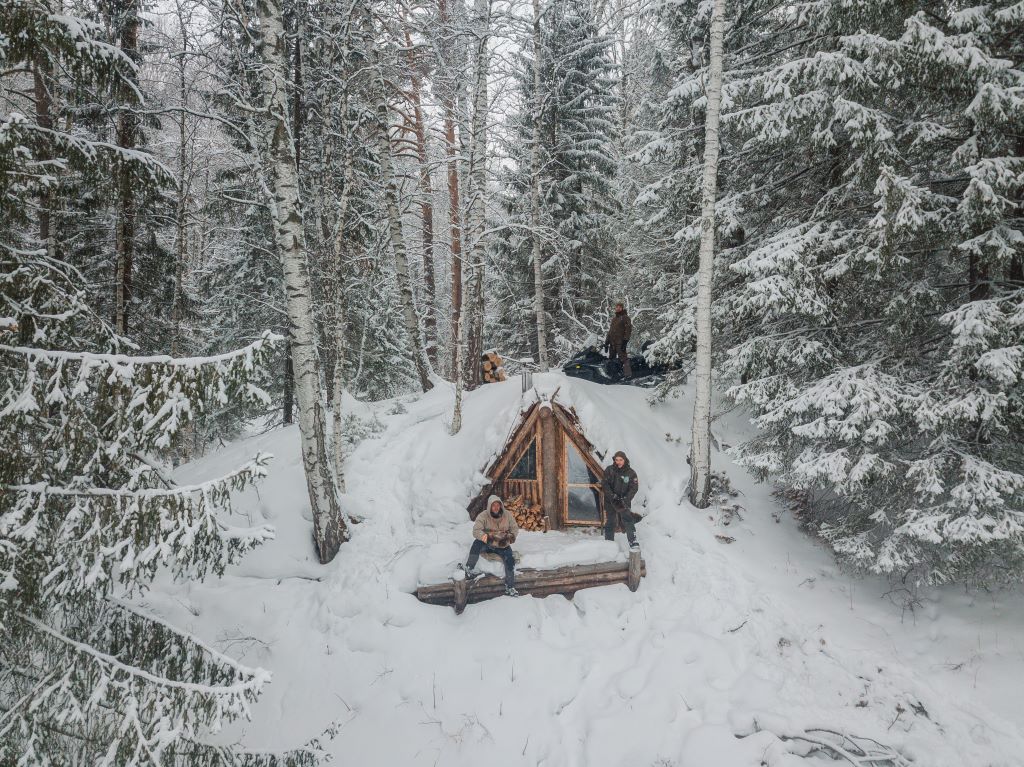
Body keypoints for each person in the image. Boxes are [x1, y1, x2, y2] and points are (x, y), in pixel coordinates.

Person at [464, 495, 520, 596]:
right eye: (493, 505)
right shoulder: (483, 515)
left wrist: (510, 537)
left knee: (510, 560)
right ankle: (469, 569)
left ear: (501, 506)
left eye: (498, 505)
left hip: (502, 544)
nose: (496, 507)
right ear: (489, 506)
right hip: (488, 543)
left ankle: (510, 587)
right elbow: (476, 531)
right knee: (476, 544)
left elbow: (515, 528)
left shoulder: (507, 515)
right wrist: (486, 537)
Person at [602, 450, 639, 550]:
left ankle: (633, 541)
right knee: (610, 521)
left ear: (625, 460)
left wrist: (626, 499)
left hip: (623, 502)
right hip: (611, 501)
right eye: (616, 460)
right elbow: (605, 485)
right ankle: (608, 543)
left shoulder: (631, 473)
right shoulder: (609, 470)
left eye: (621, 460)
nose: (618, 462)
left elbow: (634, 488)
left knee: (628, 520)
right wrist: (612, 496)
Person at [604, 302, 632, 379]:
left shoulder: (625, 317)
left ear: (622, 308)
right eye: (617, 307)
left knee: (623, 359)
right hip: (612, 344)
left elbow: (628, 330)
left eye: (619, 307)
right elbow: (610, 331)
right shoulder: (614, 319)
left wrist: (625, 342)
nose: (618, 308)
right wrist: (606, 342)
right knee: (611, 359)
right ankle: (612, 375)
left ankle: (628, 375)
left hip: (620, 343)